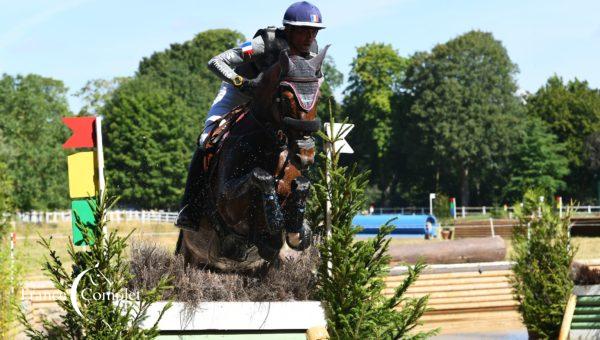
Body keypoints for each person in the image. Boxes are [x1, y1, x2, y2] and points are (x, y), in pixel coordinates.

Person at [175, 1, 326, 229]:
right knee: (206, 140)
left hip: (275, 105)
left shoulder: (312, 51)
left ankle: (296, 212)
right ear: (290, 29)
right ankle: (191, 208)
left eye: (314, 31)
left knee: (301, 145)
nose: (310, 37)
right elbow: (216, 61)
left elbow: (318, 79)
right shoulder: (265, 43)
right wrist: (240, 82)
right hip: (239, 92)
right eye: (304, 30)